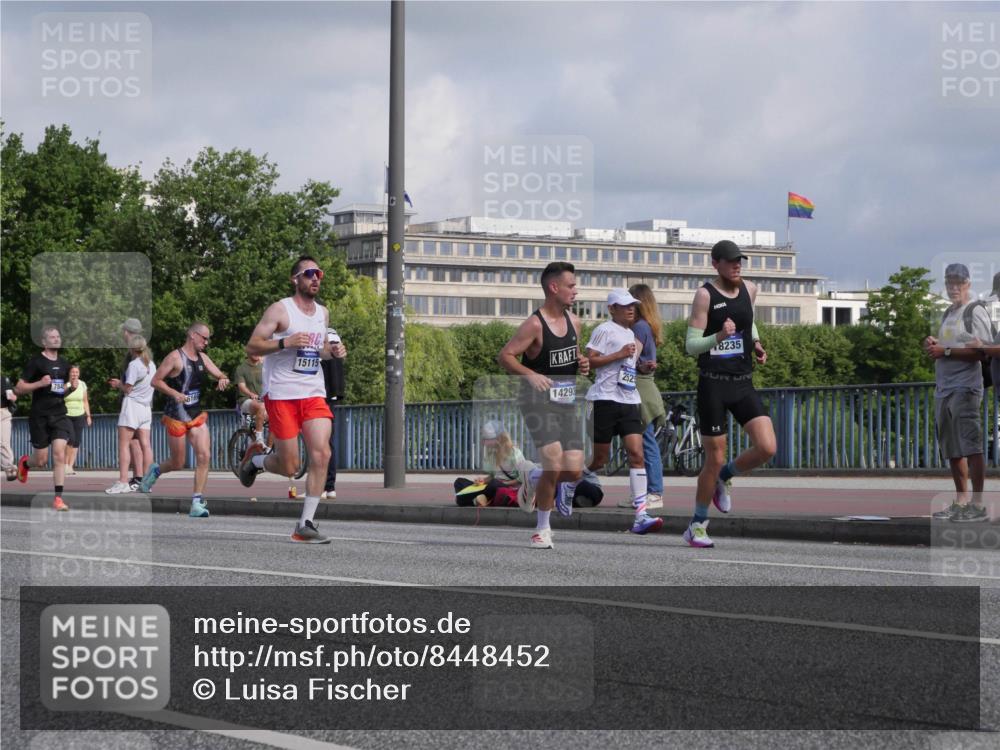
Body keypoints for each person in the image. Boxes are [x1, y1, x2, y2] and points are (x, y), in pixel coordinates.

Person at [239, 256, 348, 544]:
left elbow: (319, 350)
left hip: (312, 392)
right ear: (295, 279)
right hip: (282, 394)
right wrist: (284, 342)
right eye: (309, 273)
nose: (316, 279)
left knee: (322, 453)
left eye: (319, 274)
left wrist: (332, 352)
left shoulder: (322, 313)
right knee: (290, 466)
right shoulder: (280, 310)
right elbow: (252, 345)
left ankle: (305, 524)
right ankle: (257, 460)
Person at [683, 240, 776, 548]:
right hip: (713, 384)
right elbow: (691, 346)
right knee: (713, 457)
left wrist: (756, 343)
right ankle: (697, 524)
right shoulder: (704, 295)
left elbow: (749, 325)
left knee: (767, 447)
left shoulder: (750, 289)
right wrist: (719, 336)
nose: (738, 266)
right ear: (716, 264)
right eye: (732, 261)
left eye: (740, 261)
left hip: (743, 382)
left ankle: (726, 476)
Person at [498, 261, 591, 549]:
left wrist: (582, 362)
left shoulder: (575, 322)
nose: (575, 291)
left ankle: (530, 475)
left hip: (565, 402)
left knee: (574, 471)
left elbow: (572, 355)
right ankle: (542, 529)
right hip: (536, 401)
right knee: (553, 459)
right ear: (554, 288)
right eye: (571, 285)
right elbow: (506, 356)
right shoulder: (535, 324)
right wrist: (531, 374)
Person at [584, 289, 663, 535]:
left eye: (633, 305)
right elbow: (590, 362)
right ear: (612, 309)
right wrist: (619, 354)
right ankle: (572, 481)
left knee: (636, 453)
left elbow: (625, 366)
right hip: (605, 399)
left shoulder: (631, 332)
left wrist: (641, 366)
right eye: (625, 305)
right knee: (600, 459)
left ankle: (641, 515)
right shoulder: (603, 330)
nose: (631, 309)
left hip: (629, 398)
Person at [139, 322, 230, 517]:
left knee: (205, 456)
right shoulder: (174, 357)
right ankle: (155, 472)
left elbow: (219, 373)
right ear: (193, 336)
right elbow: (155, 381)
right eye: (204, 338)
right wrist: (174, 393)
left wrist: (222, 378)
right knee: (177, 462)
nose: (207, 342)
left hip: (196, 415)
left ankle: (196, 502)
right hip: (176, 416)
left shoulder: (203, 358)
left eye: (208, 339)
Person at [923, 263, 992, 523]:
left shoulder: (975, 311)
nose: (953, 287)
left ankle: (977, 503)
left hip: (965, 387)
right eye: (949, 282)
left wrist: (946, 352)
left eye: (958, 282)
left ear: (968, 284)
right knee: (952, 448)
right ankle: (961, 500)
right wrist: (934, 344)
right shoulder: (948, 313)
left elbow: (982, 351)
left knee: (971, 445)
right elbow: (948, 345)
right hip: (944, 388)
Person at [14, 325, 75, 511]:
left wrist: (70, 388)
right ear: (44, 341)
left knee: (59, 453)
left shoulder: (65, 365)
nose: (57, 339)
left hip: (59, 415)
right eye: (53, 337)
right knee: (41, 460)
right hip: (39, 416)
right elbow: (18, 388)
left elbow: (58, 392)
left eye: (58, 336)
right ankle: (25, 463)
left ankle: (58, 498)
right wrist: (39, 383)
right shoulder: (36, 362)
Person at [626, 283, 667, 510]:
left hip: (639, 390)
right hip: (646, 388)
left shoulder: (639, 328)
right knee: (640, 442)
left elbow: (629, 360)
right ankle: (642, 493)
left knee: (644, 442)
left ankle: (653, 493)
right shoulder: (647, 326)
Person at [105, 337, 156, 495]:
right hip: (146, 408)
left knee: (123, 444)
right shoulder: (151, 364)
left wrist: (117, 384)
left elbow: (128, 389)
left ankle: (123, 481)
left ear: (132, 348)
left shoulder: (134, 365)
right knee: (146, 445)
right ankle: (147, 481)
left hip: (132, 406)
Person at [454, 420, 526, 507]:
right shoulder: (491, 454)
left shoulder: (515, 453)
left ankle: (477, 499)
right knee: (459, 482)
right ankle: (481, 499)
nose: (484, 442)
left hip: (508, 487)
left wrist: (504, 483)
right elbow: (492, 476)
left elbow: (523, 477)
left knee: (494, 484)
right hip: (492, 486)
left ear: (498, 439)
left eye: (487, 439)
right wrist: (483, 480)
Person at [117, 319, 145, 491]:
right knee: (140, 441)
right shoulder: (143, 351)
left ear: (127, 332)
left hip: (133, 402)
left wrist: (119, 386)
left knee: (131, 442)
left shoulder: (132, 356)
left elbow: (130, 385)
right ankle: (141, 478)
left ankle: (130, 479)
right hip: (142, 402)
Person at [321, 327, 346, 501]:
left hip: (321, 393)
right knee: (328, 442)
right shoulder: (334, 333)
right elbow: (342, 355)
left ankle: (323, 486)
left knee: (320, 442)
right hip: (333, 392)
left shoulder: (317, 334)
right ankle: (330, 487)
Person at [63, 365, 92, 475]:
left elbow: (85, 401)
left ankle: (70, 466)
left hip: (79, 415)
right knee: (70, 438)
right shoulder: (64, 384)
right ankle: (65, 465)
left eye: (77, 372)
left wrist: (88, 416)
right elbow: (56, 395)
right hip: (66, 414)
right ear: (69, 373)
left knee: (76, 441)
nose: (74, 374)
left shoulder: (83, 384)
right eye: (72, 372)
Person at [235, 353, 267, 446]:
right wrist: (251, 394)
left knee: (275, 418)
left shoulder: (263, 367)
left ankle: (268, 449)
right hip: (246, 400)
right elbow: (241, 386)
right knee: (261, 406)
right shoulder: (241, 368)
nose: (256, 353)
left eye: (258, 351)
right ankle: (259, 437)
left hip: (261, 401)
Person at [2, 374, 17, 482]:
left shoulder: (3, 379)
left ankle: (9, 469)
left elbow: (11, 394)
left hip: (3, 413)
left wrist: (13, 397)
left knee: (4, 443)